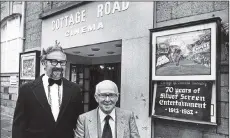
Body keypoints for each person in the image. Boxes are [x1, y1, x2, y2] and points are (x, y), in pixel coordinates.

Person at [12, 41, 83, 138]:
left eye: (62, 62)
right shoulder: (26, 89)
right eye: (54, 61)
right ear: (43, 63)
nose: (58, 66)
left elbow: (79, 123)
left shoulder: (75, 89)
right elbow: (18, 126)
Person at [74, 80, 140, 138]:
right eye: (103, 95)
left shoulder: (128, 117)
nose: (107, 100)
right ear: (96, 97)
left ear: (117, 97)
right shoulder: (84, 119)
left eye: (111, 95)